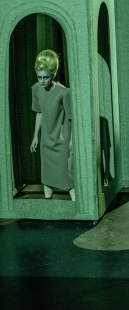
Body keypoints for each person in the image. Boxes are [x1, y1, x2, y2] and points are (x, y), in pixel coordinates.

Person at [30, 49, 75, 201]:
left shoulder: (64, 92)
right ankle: (48, 205)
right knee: (47, 176)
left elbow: (71, 118)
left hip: (62, 138)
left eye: (46, 77)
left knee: (67, 177)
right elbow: (39, 112)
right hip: (46, 139)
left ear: (53, 74)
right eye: (39, 77)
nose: (42, 81)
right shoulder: (36, 89)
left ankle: (77, 207)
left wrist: (71, 141)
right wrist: (35, 136)